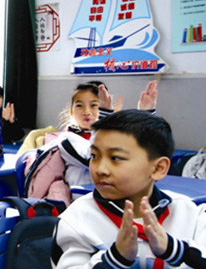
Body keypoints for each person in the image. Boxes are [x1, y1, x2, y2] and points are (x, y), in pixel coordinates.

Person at [51, 110, 206, 269]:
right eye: (95, 156)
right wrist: (116, 258)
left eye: (116, 158)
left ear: (158, 168)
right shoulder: (77, 219)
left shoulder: (187, 213)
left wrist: (173, 250)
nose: (100, 169)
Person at [23, 81, 158, 204]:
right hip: (83, 201)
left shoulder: (112, 137)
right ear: (71, 112)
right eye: (80, 106)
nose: (87, 112)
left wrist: (145, 115)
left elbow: (140, 152)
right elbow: (95, 158)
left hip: (110, 197)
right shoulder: (67, 140)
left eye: (94, 106)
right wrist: (104, 120)